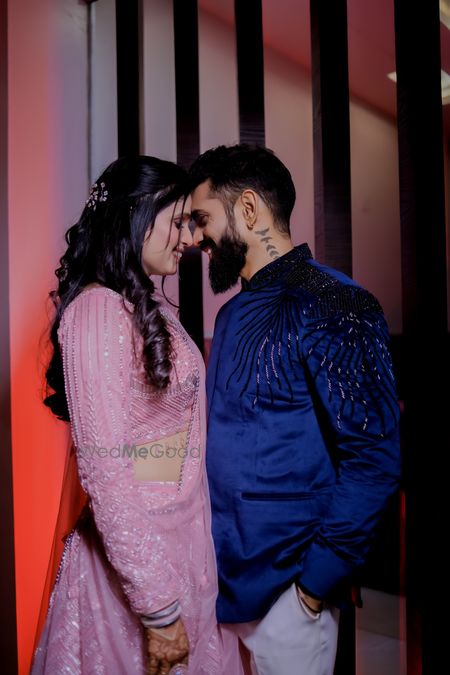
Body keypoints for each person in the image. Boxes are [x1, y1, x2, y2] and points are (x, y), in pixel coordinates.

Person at [189, 144, 402, 675]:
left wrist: (311, 589)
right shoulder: (232, 313)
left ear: (248, 208)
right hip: (224, 583)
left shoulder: (335, 301)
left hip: (291, 592)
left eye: (203, 218)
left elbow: (374, 460)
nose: (194, 238)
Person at [32, 156, 243, 675]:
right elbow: (105, 471)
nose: (188, 238)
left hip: (184, 545)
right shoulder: (97, 311)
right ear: (135, 216)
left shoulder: (147, 303)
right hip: (139, 565)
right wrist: (157, 608)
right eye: (178, 222)